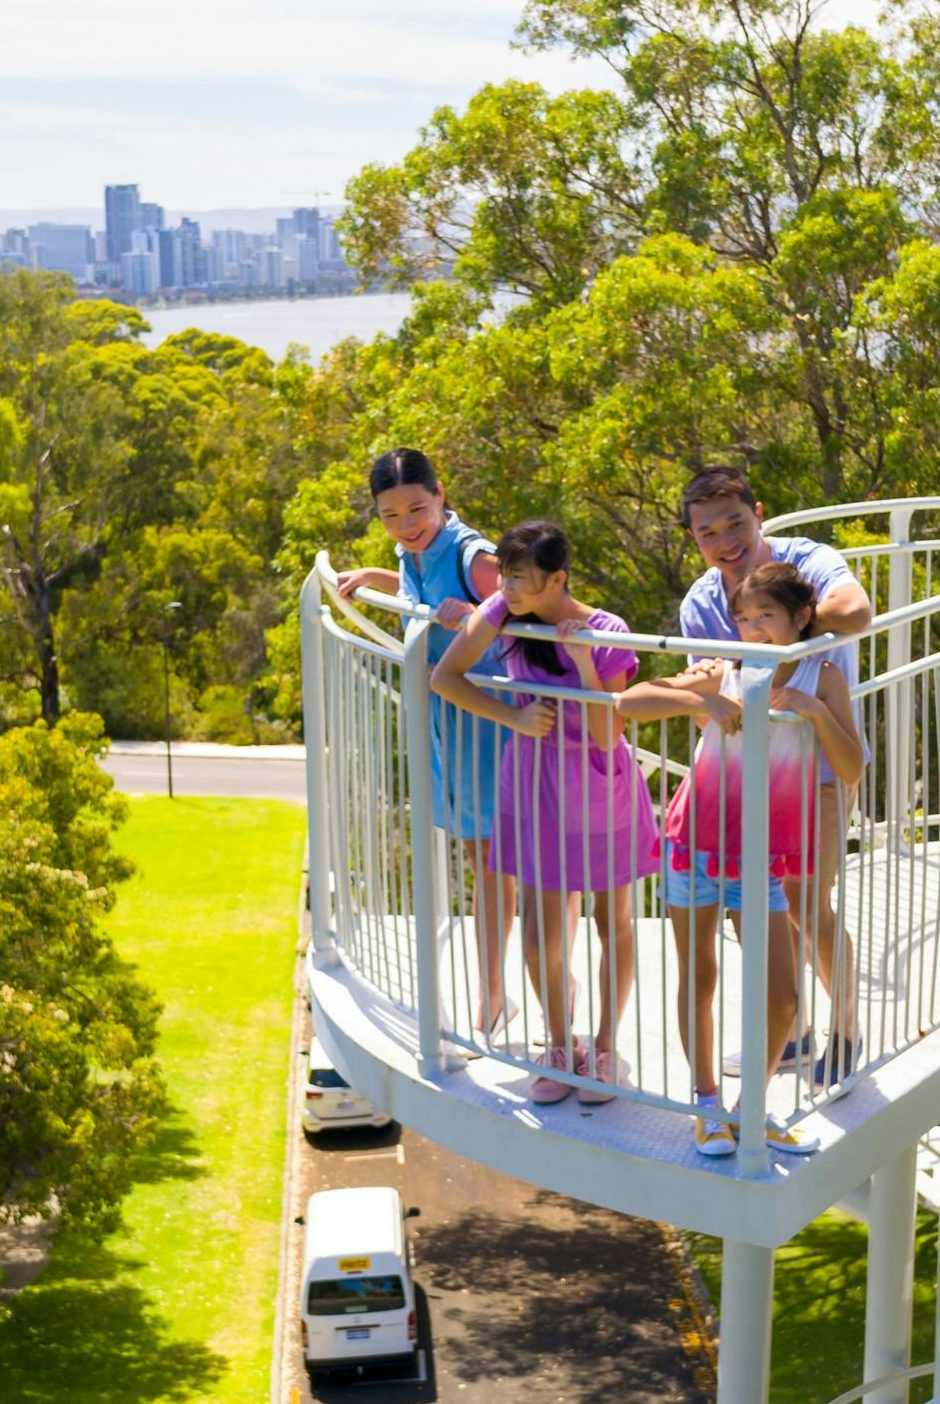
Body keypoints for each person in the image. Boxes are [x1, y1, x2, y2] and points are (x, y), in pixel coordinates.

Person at [430, 520, 661, 1107]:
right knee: (538, 937)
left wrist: (583, 662)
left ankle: (604, 1049)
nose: (507, 586)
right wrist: (510, 717)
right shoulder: (501, 614)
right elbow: (445, 677)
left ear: (557, 578)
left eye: (520, 577)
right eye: (504, 574)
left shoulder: (608, 630)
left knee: (614, 924)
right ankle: (561, 1046)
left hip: (598, 786)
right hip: (533, 786)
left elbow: (610, 731)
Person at [638, 561, 865, 1157]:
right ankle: (707, 1106)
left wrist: (813, 712)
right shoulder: (725, 668)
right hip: (697, 843)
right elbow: (629, 703)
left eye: (767, 615)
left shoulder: (822, 677)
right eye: (744, 617)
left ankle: (750, 1110)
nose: (754, 627)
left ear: (801, 618)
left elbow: (852, 767)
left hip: (761, 855)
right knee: (702, 976)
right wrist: (706, 699)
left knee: (784, 997)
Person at [660, 466, 876, 1079]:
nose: (725, 539)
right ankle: (794, 1030)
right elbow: (712, 689)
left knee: (810, 908)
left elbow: (853, 611)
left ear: (758, 512)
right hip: (745, 780)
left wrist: (784, 629)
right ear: (693, 538)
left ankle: (847, 1028)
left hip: (817, 777)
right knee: (745, 909)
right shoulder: (701, 601)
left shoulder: (808, 560)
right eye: (707, 532)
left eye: (735, 522)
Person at [328, 449, 519, 1033]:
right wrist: (376, 579)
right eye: (391, 515)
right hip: (452, 721)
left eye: (417, 507)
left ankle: (494, 995)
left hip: (491, 721)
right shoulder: (414, 550)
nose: (407, 524)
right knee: (480, 856)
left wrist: (476, 619)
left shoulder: (475, 556)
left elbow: (529, 611)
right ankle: (505, 987)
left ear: (441, 493)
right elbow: (422, 592)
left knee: (494, 862)